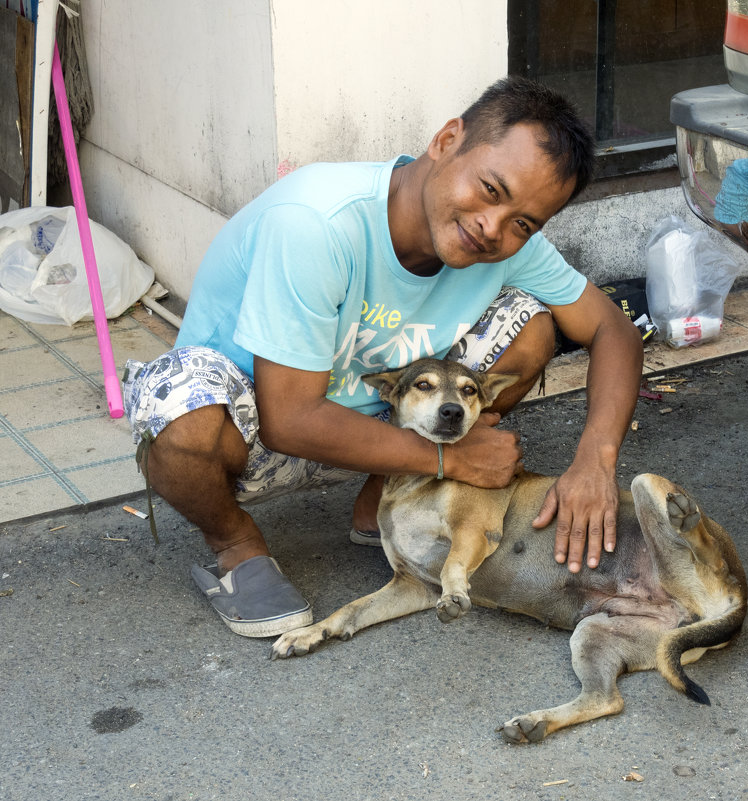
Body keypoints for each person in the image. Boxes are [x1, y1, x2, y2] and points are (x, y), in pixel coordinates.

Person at [122, 76, 644, 638]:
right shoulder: (316, 222)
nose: (493, 228)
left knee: (534, 324)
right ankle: (237, 548)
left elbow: (614, 329)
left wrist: (595, 459)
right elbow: (288, 417)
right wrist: (453, 462)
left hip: (384, 419)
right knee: (175, 406)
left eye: (523, 223)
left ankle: (385, 497)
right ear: (446, 140)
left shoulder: (507, 244)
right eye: (490, 190)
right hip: (260, 430)